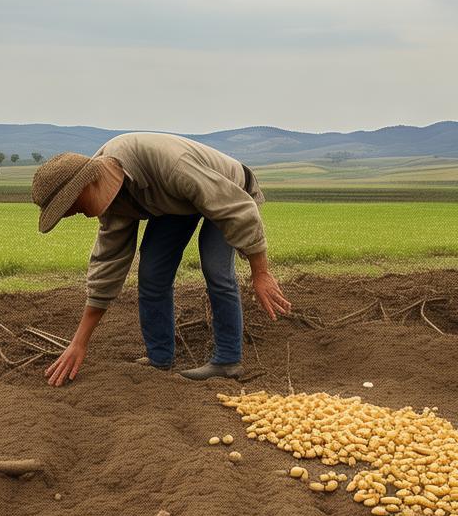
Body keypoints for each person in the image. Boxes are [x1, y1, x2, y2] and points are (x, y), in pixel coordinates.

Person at [31, 132, 291, 386]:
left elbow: (240, 211)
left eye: (72, 206)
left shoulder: (174, 167)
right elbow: (107, 267)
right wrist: (79, 343)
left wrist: (260, 273)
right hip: (175, 201)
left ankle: (227, 361)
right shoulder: (111, 198)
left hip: (228, 189)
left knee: (215, 267)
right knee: (152, 272)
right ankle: (160, 359)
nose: (73, 213)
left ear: (85, 186)